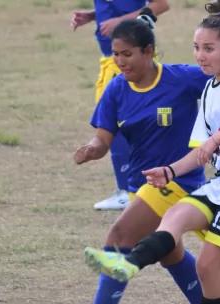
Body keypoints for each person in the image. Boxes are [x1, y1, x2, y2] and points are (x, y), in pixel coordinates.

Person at [82, 1, 220, 304]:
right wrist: (169, 170)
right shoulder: (206, 92)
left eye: (208, 48)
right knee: (176, 247)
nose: (200, 55)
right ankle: (132, 263)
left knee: (125, 236)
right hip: (210, 184)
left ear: (148, 52)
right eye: (196, 48)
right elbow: (199, 151)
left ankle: (123, 265)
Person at [71, 0, 171, 211]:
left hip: (128, 61)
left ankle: (127, 190)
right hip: (111, 60)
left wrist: (120, 21)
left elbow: (161, 4)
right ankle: (128, 189)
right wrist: (93, 16)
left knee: (118, 125)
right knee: (112, 125)